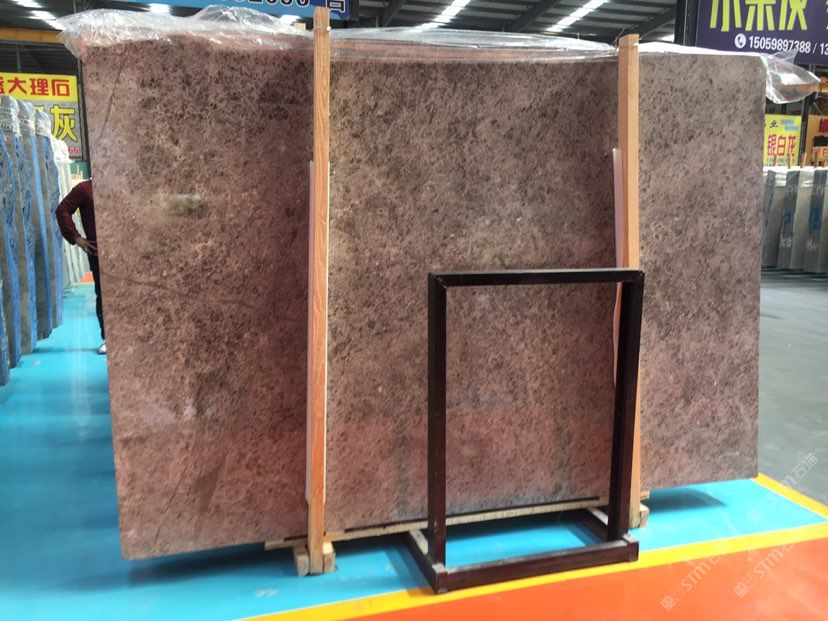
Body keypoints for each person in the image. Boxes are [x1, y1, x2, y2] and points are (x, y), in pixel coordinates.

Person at [55, 180, 105, 354]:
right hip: (98, 252)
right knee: (103, 294)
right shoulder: (84, 189)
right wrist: (76, 237)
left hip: (124, 251)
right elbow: (62, 209)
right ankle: (108, 337)